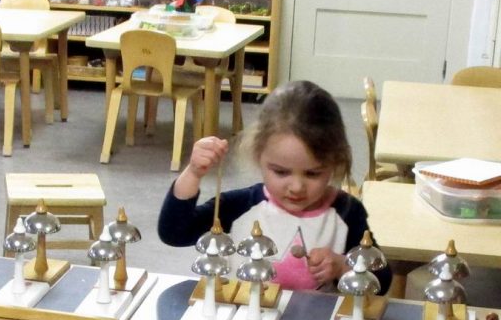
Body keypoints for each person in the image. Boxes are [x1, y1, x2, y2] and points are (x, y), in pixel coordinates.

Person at [157, 80, 392, 294]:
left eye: (313, 173)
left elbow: (383, 279)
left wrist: (344, 265)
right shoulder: (242, 206)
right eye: (281, 172)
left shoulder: (348, 212)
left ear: (335, 163)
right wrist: (193, 172)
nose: (297, 187)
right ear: (259, 155)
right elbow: (175, 233)